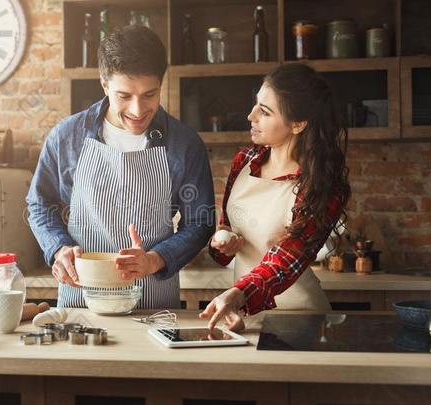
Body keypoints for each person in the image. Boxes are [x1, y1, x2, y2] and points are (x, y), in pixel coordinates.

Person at [27, 25, 215, 308]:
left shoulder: (185, 144)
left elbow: (200, 222)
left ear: (161, 84)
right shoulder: (67, 136)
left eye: (149, 95)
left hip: (153, 306)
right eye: (124, 96)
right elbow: (39, 204)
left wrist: (154, 260)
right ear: (104, 85)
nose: (138, 110)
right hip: (81, 302)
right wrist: (58, 249)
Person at [200, 63, 351, 331]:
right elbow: (225, 245)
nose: (250, 116)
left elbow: (287, 260)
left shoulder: (321, 185)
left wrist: (239, 294)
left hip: (300, 317)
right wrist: (221, 244)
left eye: (265, 112)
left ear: (298, 123)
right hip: (241, 311)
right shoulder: (245, 161)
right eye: (256, 104)